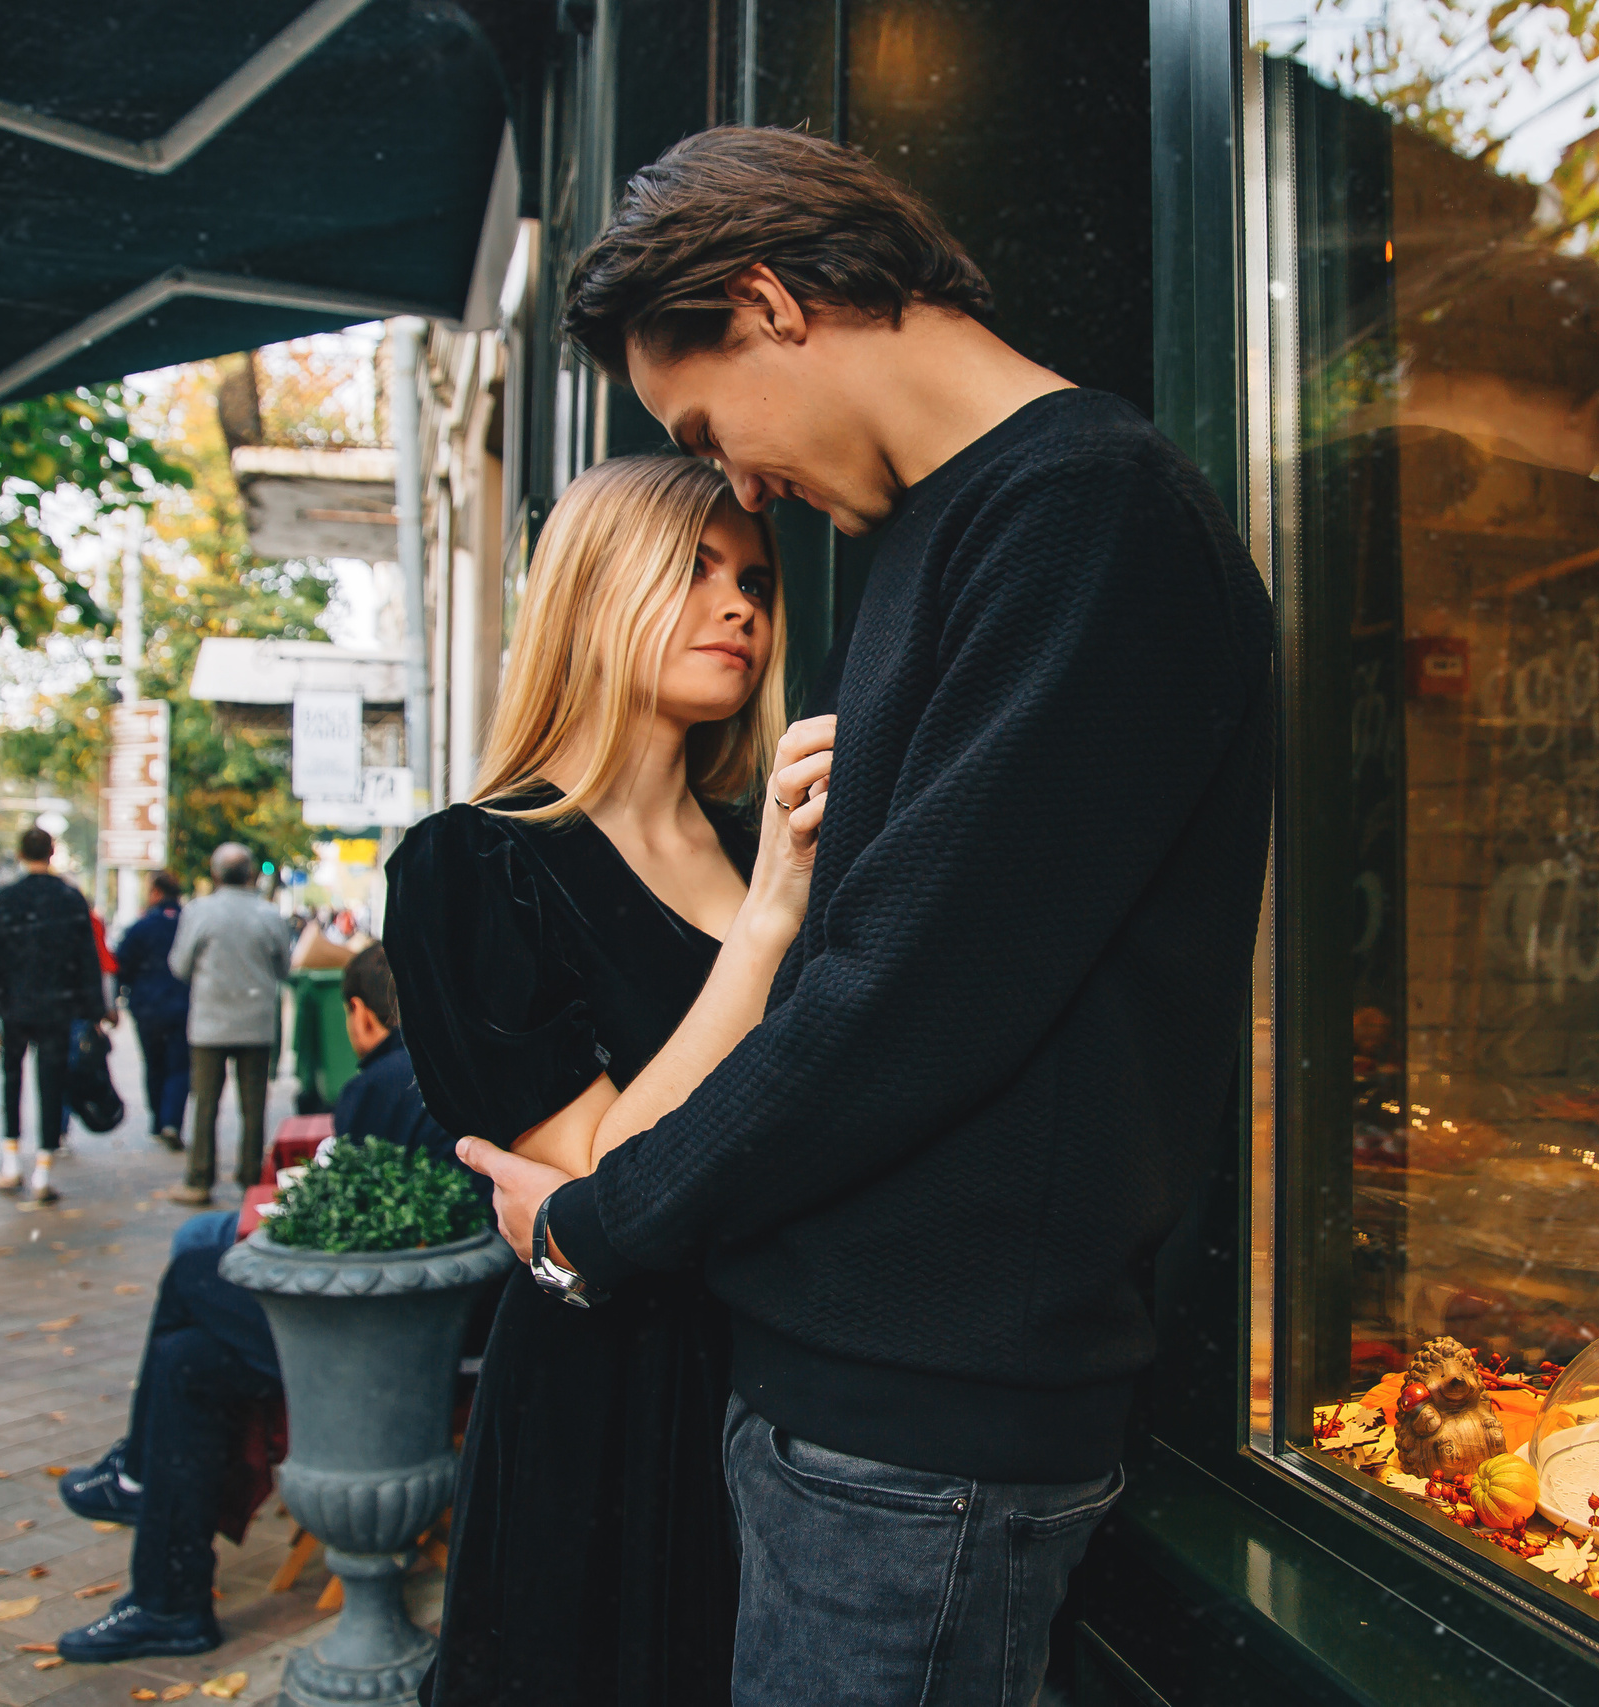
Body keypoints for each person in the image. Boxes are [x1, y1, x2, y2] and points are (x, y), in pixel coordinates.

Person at [458, 126, 1273, 1705]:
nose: (737, 477)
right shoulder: (943, 534)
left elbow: (900, 997)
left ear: (767, 300)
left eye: (706, 421)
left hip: (931, 1431)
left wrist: (593, 1220)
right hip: (855, 1405)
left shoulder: (1089, 519)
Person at [387, 453, 827, 1706]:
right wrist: (761, 933)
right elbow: (602, 1183)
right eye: (691, 569)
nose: (739, 604)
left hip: (796, 1384)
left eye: (753, 577)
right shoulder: (472, 867)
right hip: (608, 1400)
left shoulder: (772, 844)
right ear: (590, 587)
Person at [53, 943, 501, 1663]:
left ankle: (145, 1503)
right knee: (187, 1358)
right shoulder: (470, 1065)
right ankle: (169, 1600)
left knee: (194, 1275)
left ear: (358, 1015)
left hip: (403, 1342)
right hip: (451, 1327)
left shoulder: (381, 1083)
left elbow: (348, 1237)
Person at [0, 826, 107, 1205]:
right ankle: (44, 1168)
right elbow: (86, 958)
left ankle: (11, 1161)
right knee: (51, 1083)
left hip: (16, 1005)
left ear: (21, 854)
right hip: (58, 1005)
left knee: (11, 1079)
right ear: (52, 854)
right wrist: (93, 1012)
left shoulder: (8, 899)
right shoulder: (70, 898)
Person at [166, 845, 292, 1205]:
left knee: (205, 1102)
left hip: (210, 1025)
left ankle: (198, 1178)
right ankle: (252, 1176)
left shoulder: (199, 912)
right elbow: (284, 968)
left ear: (216, 873)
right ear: (251, 874)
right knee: (254, 1106)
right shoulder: (269, 915)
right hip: (256, 1023)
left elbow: (180, 965)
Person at [115, 873, 191, 1151]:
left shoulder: (142, 927)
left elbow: (122, 964)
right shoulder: (189, 923)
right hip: (184, 1004)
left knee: (154, 1063)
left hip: (148, 1007)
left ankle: (158, 1120)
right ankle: (172, 1121)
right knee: (180, 1066)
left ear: (156, 893)